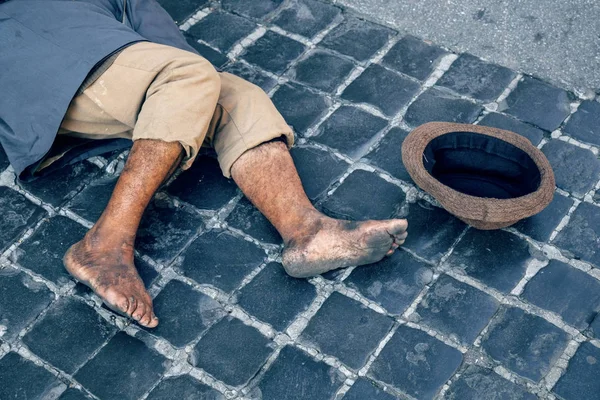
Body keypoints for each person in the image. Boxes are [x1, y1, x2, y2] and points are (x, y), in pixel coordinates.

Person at [0, 0, 408, 328]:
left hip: (105, 68)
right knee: (189, 76)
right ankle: (103, 244)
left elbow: (179, 61)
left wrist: (186, 103)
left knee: (232, 93)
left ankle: (307, 232)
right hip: (35, 48)